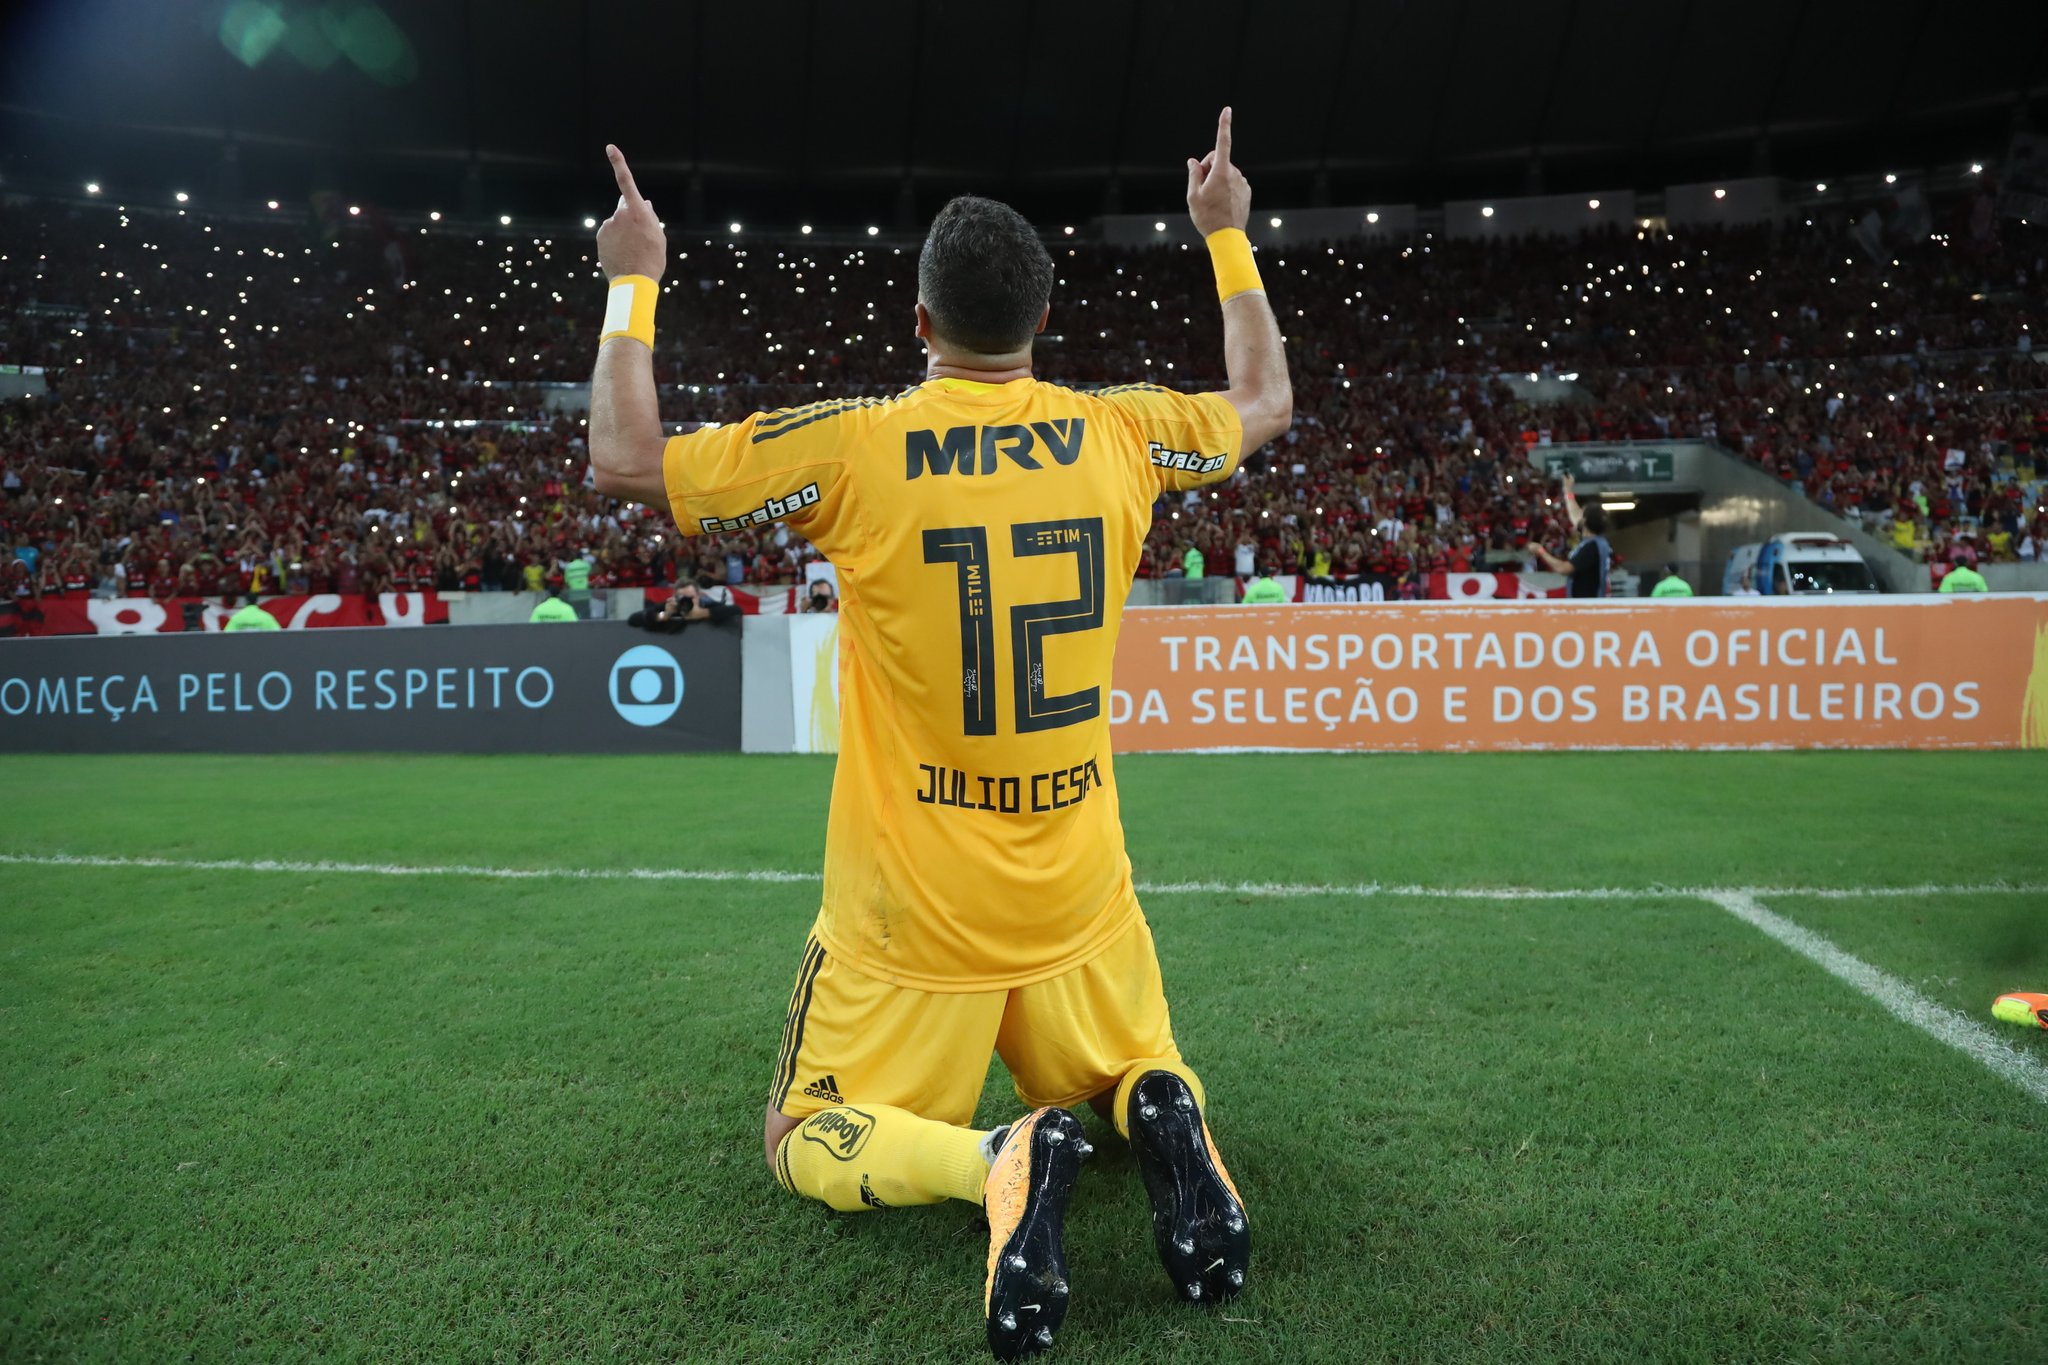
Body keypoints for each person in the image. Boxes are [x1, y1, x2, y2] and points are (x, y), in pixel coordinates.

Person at [587, 109, 1288, 1361]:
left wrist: (632, 283)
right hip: (1078, 901)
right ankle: (1159, 1105)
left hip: (912, 925)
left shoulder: (858, 446)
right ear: (1040, 322)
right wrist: (1224, 238)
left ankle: (996, 1159)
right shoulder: (1120, 430)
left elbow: (623, 456)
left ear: (920, 323)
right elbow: (1264, 399)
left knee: (800, 1133)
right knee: (1120, 1073)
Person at [1526, 474, 1610, 597]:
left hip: (1587, 606)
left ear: (1585, 521)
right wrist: (1568, 491)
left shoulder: (1592, 546)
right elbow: (1575, 515)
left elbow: (1564, 568)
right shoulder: (1594, 540)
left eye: (1582, 512)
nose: (1579, 513)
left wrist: (1540, 551)